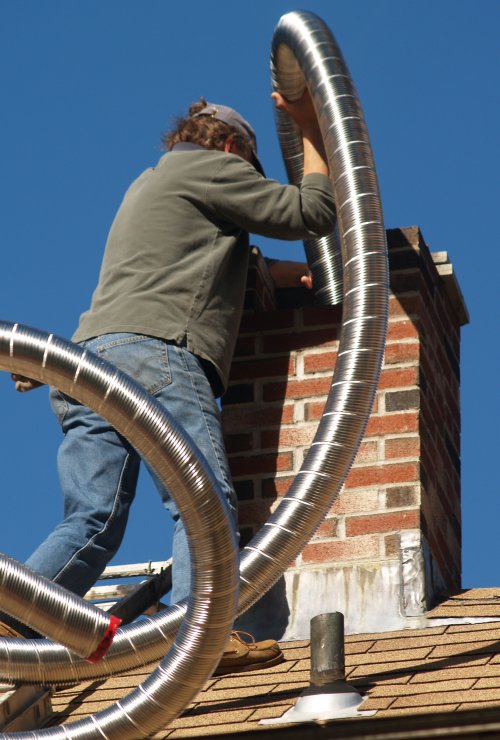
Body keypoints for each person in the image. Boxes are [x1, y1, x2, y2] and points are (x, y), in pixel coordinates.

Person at [5, 91, 336, 673]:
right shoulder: (214, 167)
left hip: (91, 361)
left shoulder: (155, 182)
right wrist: (312, 131)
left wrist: (284, 274)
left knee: (92, 518)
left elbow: (217, 257)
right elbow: (311, 212)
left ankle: (14, 617)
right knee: (201, 502)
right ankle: (200, 630)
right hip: (156, 357)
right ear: (232, 148)